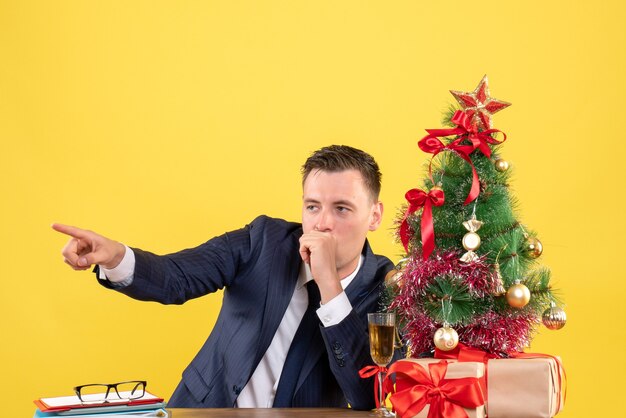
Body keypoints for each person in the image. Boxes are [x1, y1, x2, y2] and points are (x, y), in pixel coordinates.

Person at [53, 145, 394, 409]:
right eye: (312, 206)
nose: (322, 224)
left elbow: (368, 394)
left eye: (342, 208)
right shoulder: (263, 242)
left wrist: (330, 288)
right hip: (204, 409)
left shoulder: (388, 287)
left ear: (374, 215)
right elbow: (176, 277)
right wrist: (115, 256)